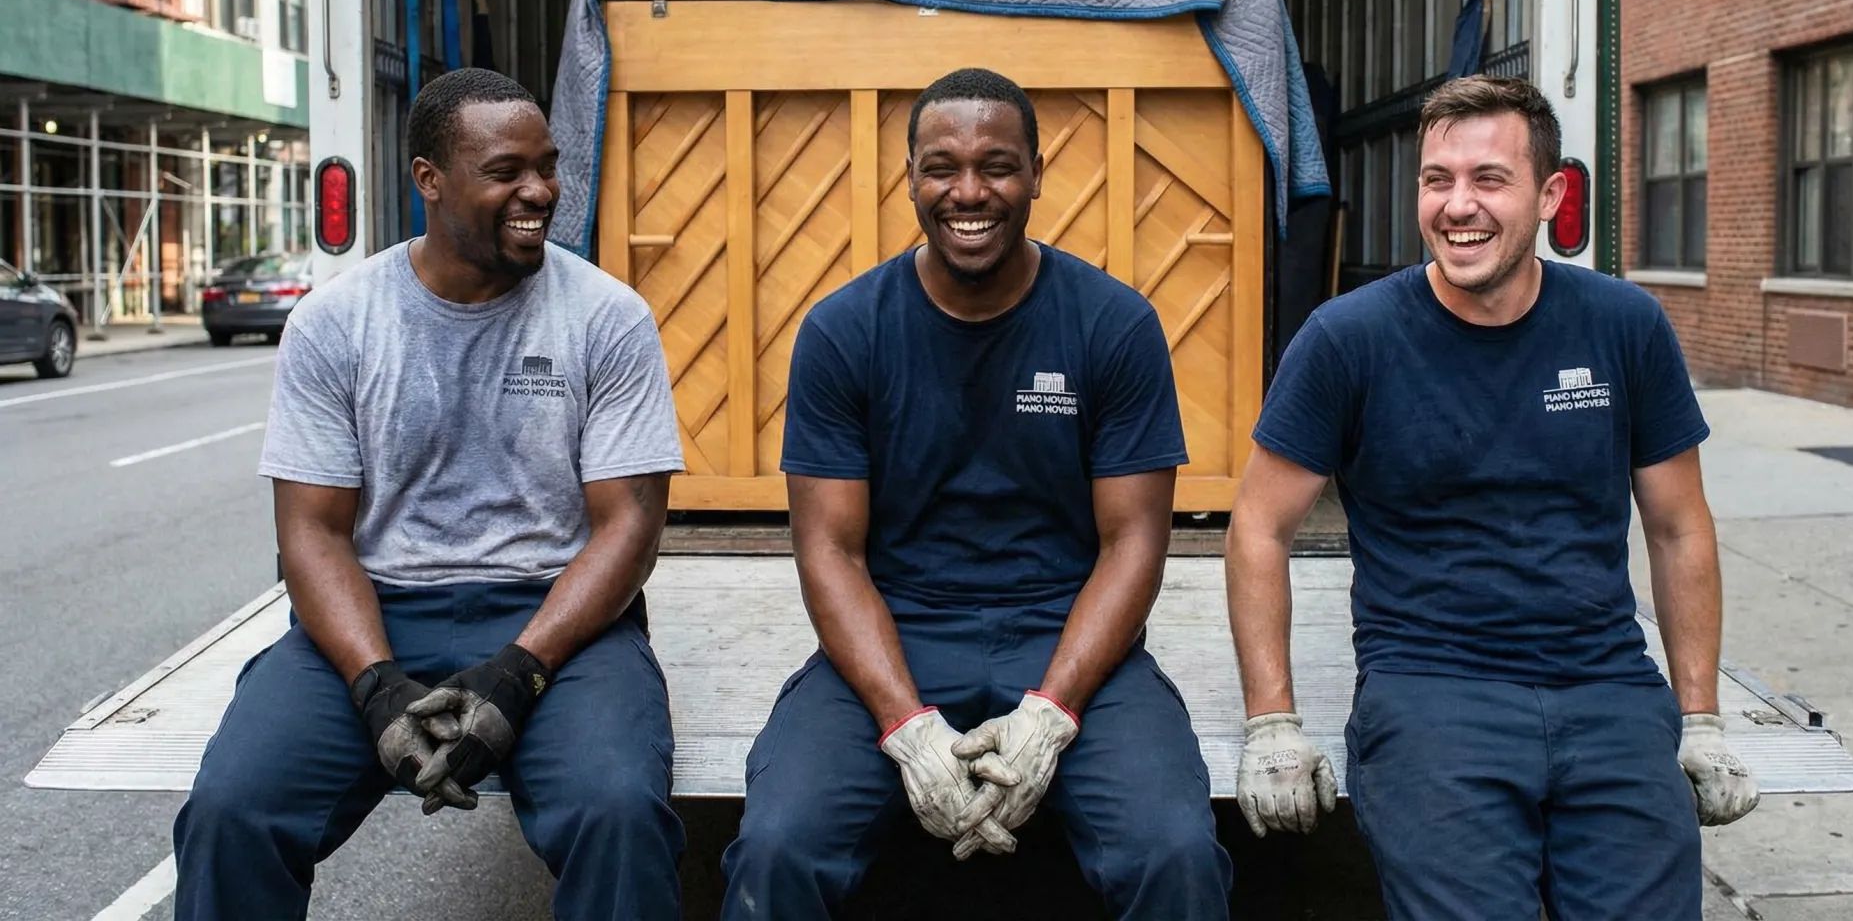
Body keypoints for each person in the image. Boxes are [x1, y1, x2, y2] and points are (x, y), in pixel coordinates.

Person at [1223, 74, 1759, 920]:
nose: (1456, 206)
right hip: (1433, 689)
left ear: (1549, 195)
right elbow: (1259, 526)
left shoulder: (1624, 325)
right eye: (1437, 180)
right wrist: (1272, 723)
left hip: (1606, 684)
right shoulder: (1348, 339)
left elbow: (1679, 526)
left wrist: (1701, 718)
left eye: (1488, 179)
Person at [171, 67, 688, 920]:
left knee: (619, 813)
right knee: (234, 811)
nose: (540, 191)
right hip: (379, 613)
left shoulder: (607, 317)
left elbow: (629, 527)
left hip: (557, 620)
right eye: (506, 171)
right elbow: (313, 536)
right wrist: (375, 686)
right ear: (429, 179)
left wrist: (521, 674)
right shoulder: (337, 323)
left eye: (548, 166)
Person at [717, 67, 1233, 919]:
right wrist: (905, 730)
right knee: (777, 851)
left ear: (1037, 172)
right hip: (897, 628)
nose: (969, 191)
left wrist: (1054, 713)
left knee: (1173, 853)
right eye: (941, 166)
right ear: (908, 178)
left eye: (996, 165)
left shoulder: (1113, 323)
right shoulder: (846, 330)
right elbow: (830, 551)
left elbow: (1135, 542)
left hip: (1066, 632)